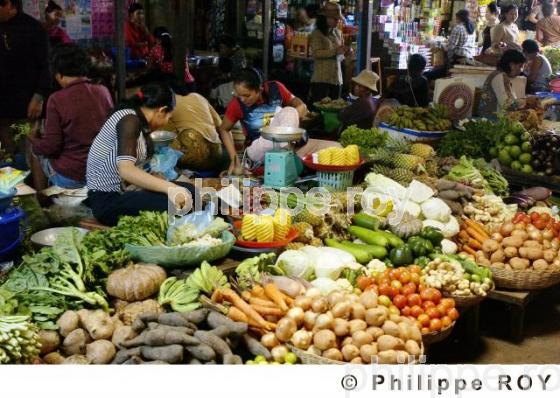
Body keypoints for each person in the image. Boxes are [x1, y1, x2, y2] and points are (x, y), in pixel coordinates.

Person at [86, 82, 195, 226]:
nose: (167, 121)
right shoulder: (129, 119)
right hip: (107, 201)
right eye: (169, 116)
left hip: (123, 193)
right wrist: (170, 188)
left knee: (190, 191)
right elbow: (125, 170)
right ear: (161, 110)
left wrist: (157, 181)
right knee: (179, 205)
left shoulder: (135, 119)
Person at [30, 44, 113, 189]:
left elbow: (51, 147)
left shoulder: (56, 99)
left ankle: (42, 199)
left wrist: (32, 137)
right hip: (103, 170)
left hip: (72, 176)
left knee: (35, 151)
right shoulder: (103, 91)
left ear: (58, 74)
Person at [218, 68, 314, 173]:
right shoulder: (236, 104)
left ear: (260, 90)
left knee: (289, 111)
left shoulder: (276, 88)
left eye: (246, 95)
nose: (242, 99)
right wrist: (234, 159)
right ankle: (284, 153)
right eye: (238, 95)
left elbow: (302, 107)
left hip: (282, 144)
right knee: (274, 136)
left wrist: (289, 120)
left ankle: (285, 152)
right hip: (257, 153)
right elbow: (224, 129)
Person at [0, 0, 49, 155]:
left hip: (27, 105)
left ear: (8, 4)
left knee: (29, 148)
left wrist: (39, 96)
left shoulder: (32, 28)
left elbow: (47, 65)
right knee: (8, 150)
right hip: (3, 107)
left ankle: (30, 178)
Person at [166, 92, 224, 172]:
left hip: (194, 158)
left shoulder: (168, 102)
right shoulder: (198, 97)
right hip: (217, 154)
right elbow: (221, 125)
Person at [309, 5, 345, 103]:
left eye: (338, 19)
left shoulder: (338, 33)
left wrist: (345, 52)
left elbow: (341, 56)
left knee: (335, 109)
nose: (338, 21)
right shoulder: (317, 34)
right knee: (320, 111)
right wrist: (335, 51)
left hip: (336, 78)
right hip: (321, 79)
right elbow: (316, 53)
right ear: (325, 18)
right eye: (335, 19)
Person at [477, 50, 530, 117]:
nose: (521, 70)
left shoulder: (502, 76)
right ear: (512, 65)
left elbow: (511, 100)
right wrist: (526, 101)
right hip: (490, 120)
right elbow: (505, 104)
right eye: (520, 66)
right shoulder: (498, 76)